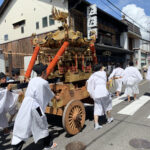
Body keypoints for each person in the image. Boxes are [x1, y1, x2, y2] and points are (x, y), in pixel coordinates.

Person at [11, 63, 57, 150]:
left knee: (24, 124)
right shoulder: (44, 82)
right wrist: (56, 97)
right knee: (42, 122)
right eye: (46, 72)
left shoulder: (32, 80)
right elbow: (49, 93)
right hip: (35, 106)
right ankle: (47, 144)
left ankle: (16, 146)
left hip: (26, 104)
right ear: (43, 72)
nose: (47, 73)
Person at [87, 64, 113, 130]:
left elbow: (89, 85)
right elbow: (106, 72)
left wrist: (92, 95)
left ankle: (96, 124)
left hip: (97, 93)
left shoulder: (92, 76)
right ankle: (109, 118)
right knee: (107, 105)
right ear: (101, 68)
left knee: (97, 108)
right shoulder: (104, 73)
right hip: (104, 92)